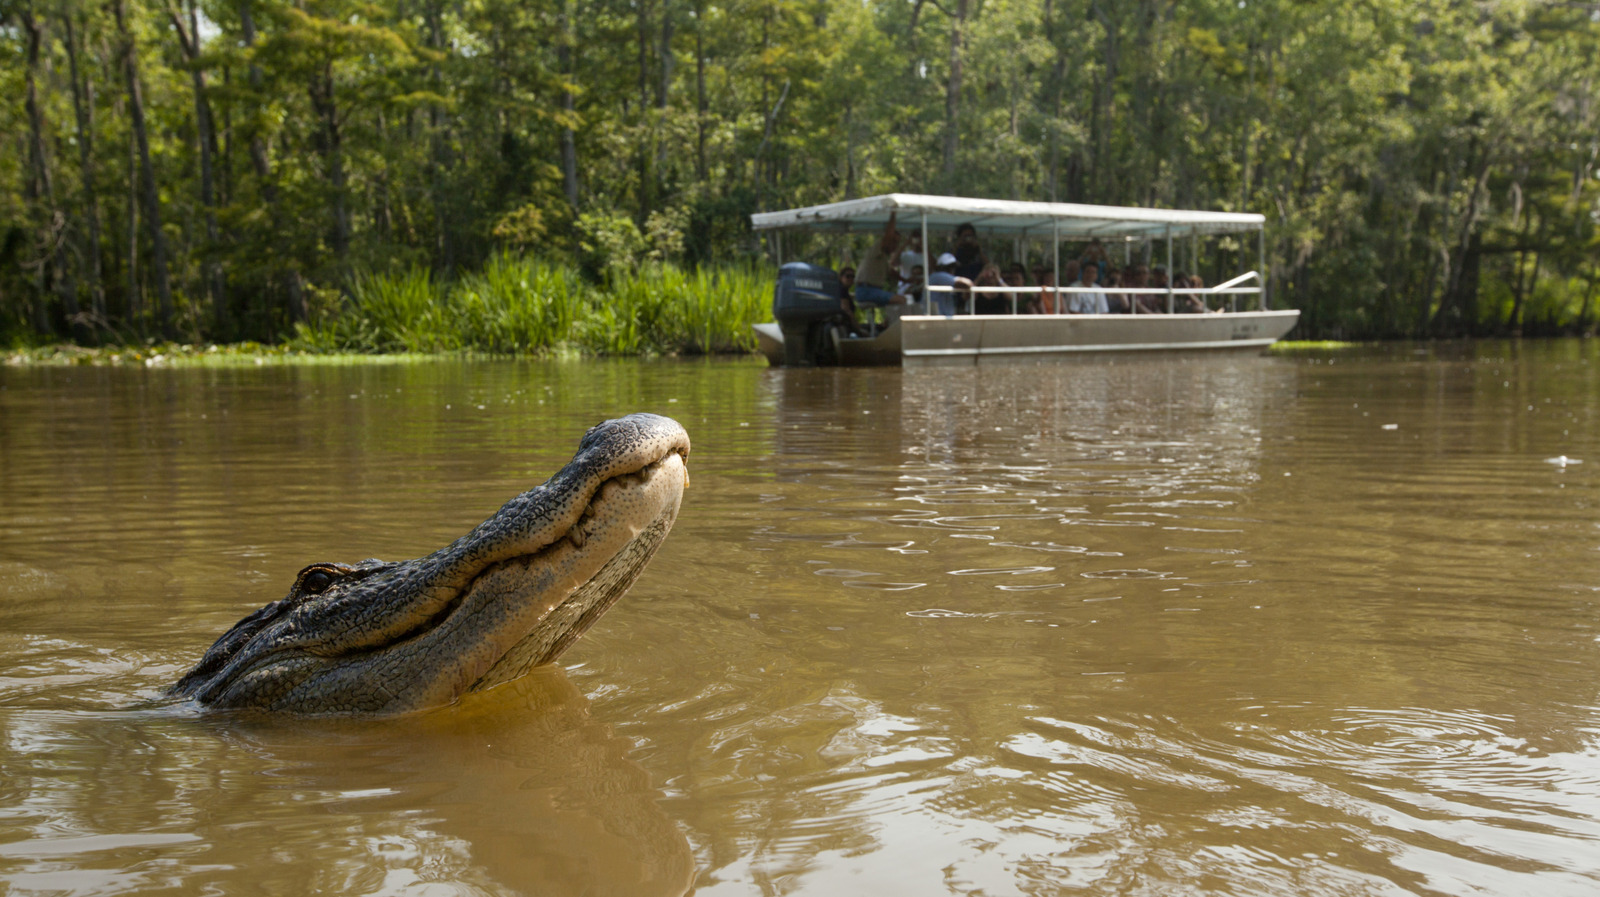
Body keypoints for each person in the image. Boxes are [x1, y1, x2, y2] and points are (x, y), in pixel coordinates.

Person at [854, 212, 909, 310]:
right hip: (866, 290)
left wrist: (908, 281)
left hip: (873, 290)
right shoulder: (877, 249)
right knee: (901, 300)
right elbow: (888, 235)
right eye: (894, 242)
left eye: (898, 243)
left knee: (898, 301)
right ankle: (901, 325)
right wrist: (893, 213)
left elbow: (892, 273)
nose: (895, 246)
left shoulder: (883, 258)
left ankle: (887, 324)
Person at [924, 252, 971, 316]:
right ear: (941, 267)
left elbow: (964, 297)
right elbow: (967, 283)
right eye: (949, 267)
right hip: (936, 318)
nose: (952, 270)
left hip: (945, 317)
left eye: (953, 267)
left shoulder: (946, 281)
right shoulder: (938, 276)